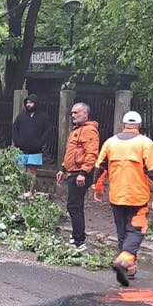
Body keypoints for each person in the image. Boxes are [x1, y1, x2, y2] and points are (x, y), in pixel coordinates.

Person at [92, 111, 153, 285]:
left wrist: (97, 188)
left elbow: (100, 168)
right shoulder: (145, 143)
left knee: (123, 233)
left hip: (116, 197)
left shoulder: (110, 143)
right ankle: (124, 261)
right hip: (137, 198)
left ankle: (129, 268)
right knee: (136, 231)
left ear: (123, 124)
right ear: (139, 125)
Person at [56, 102, 99, 251]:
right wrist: (63, 168)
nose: (73, 115)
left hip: (80, 174)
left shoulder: (89, 131)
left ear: (85, 114)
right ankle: (77, 236)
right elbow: (71, 153)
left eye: (76, 113)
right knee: (74, 205)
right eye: (72, 113)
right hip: (73, 172)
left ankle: (79, 239)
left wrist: (83, 172)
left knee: (74, 205)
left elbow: (92, 154)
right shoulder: (77, 130)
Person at [12, 93, 48, 191]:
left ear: (36, 103)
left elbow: (46, 132)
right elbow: (15, 129)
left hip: (35, 150)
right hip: (22, 149)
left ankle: (30, 191)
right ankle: (21, 191)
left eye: (31, 102)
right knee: (21, 171)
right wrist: (17, 142)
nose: (28, 104)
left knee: (32, 171)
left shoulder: (43, 117)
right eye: (27, 102)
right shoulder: (21, 116)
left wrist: (39, 143)